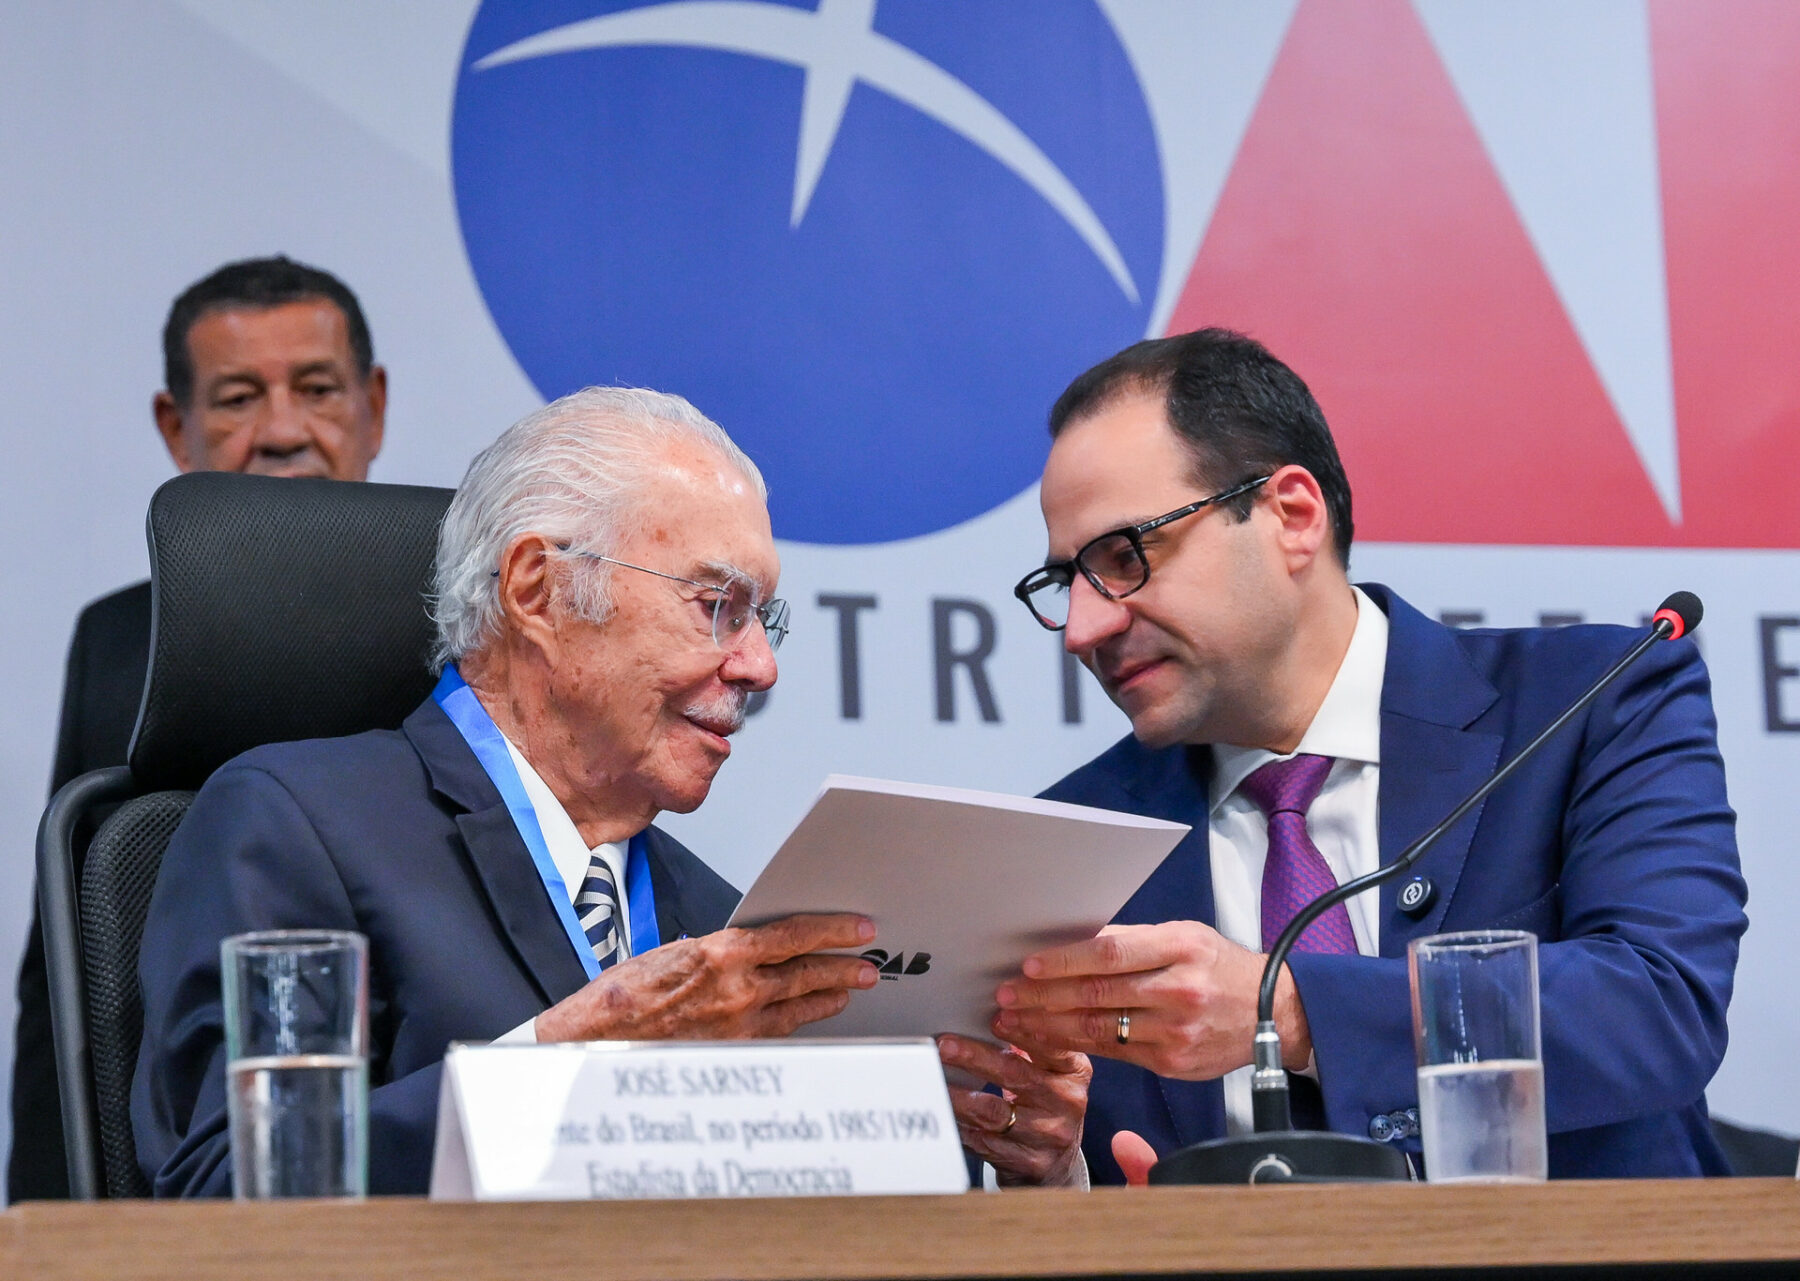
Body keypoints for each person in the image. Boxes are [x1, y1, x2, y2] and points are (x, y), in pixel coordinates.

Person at [131, 387, 1086, 1194]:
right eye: (717, 607)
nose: (759, 665)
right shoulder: (293, 822)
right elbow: (227, 1189)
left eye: (764, 619)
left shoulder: (721, 923)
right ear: (538, 588)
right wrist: (571, 1058)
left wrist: (1004, 1156)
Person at [991, 329, 1746, 1183]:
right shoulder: (1073, 836)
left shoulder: (1590, 701)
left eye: (1124, 558)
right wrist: (1053, 1169)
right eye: (1065, 585)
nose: (1084, 629)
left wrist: (1290, 1011)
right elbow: (1066, 1152)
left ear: (1291, 517)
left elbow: (1657, 1005)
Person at [11, 255, 388, 1200]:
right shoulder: (114, 639)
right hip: (172, 1163)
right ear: (177, 429)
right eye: (236, 398)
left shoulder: (473, 635)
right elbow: (63, 975)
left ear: (373, 409)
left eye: (316, 389)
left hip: (413, 1158)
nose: (283, 431)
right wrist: (53, 1233)